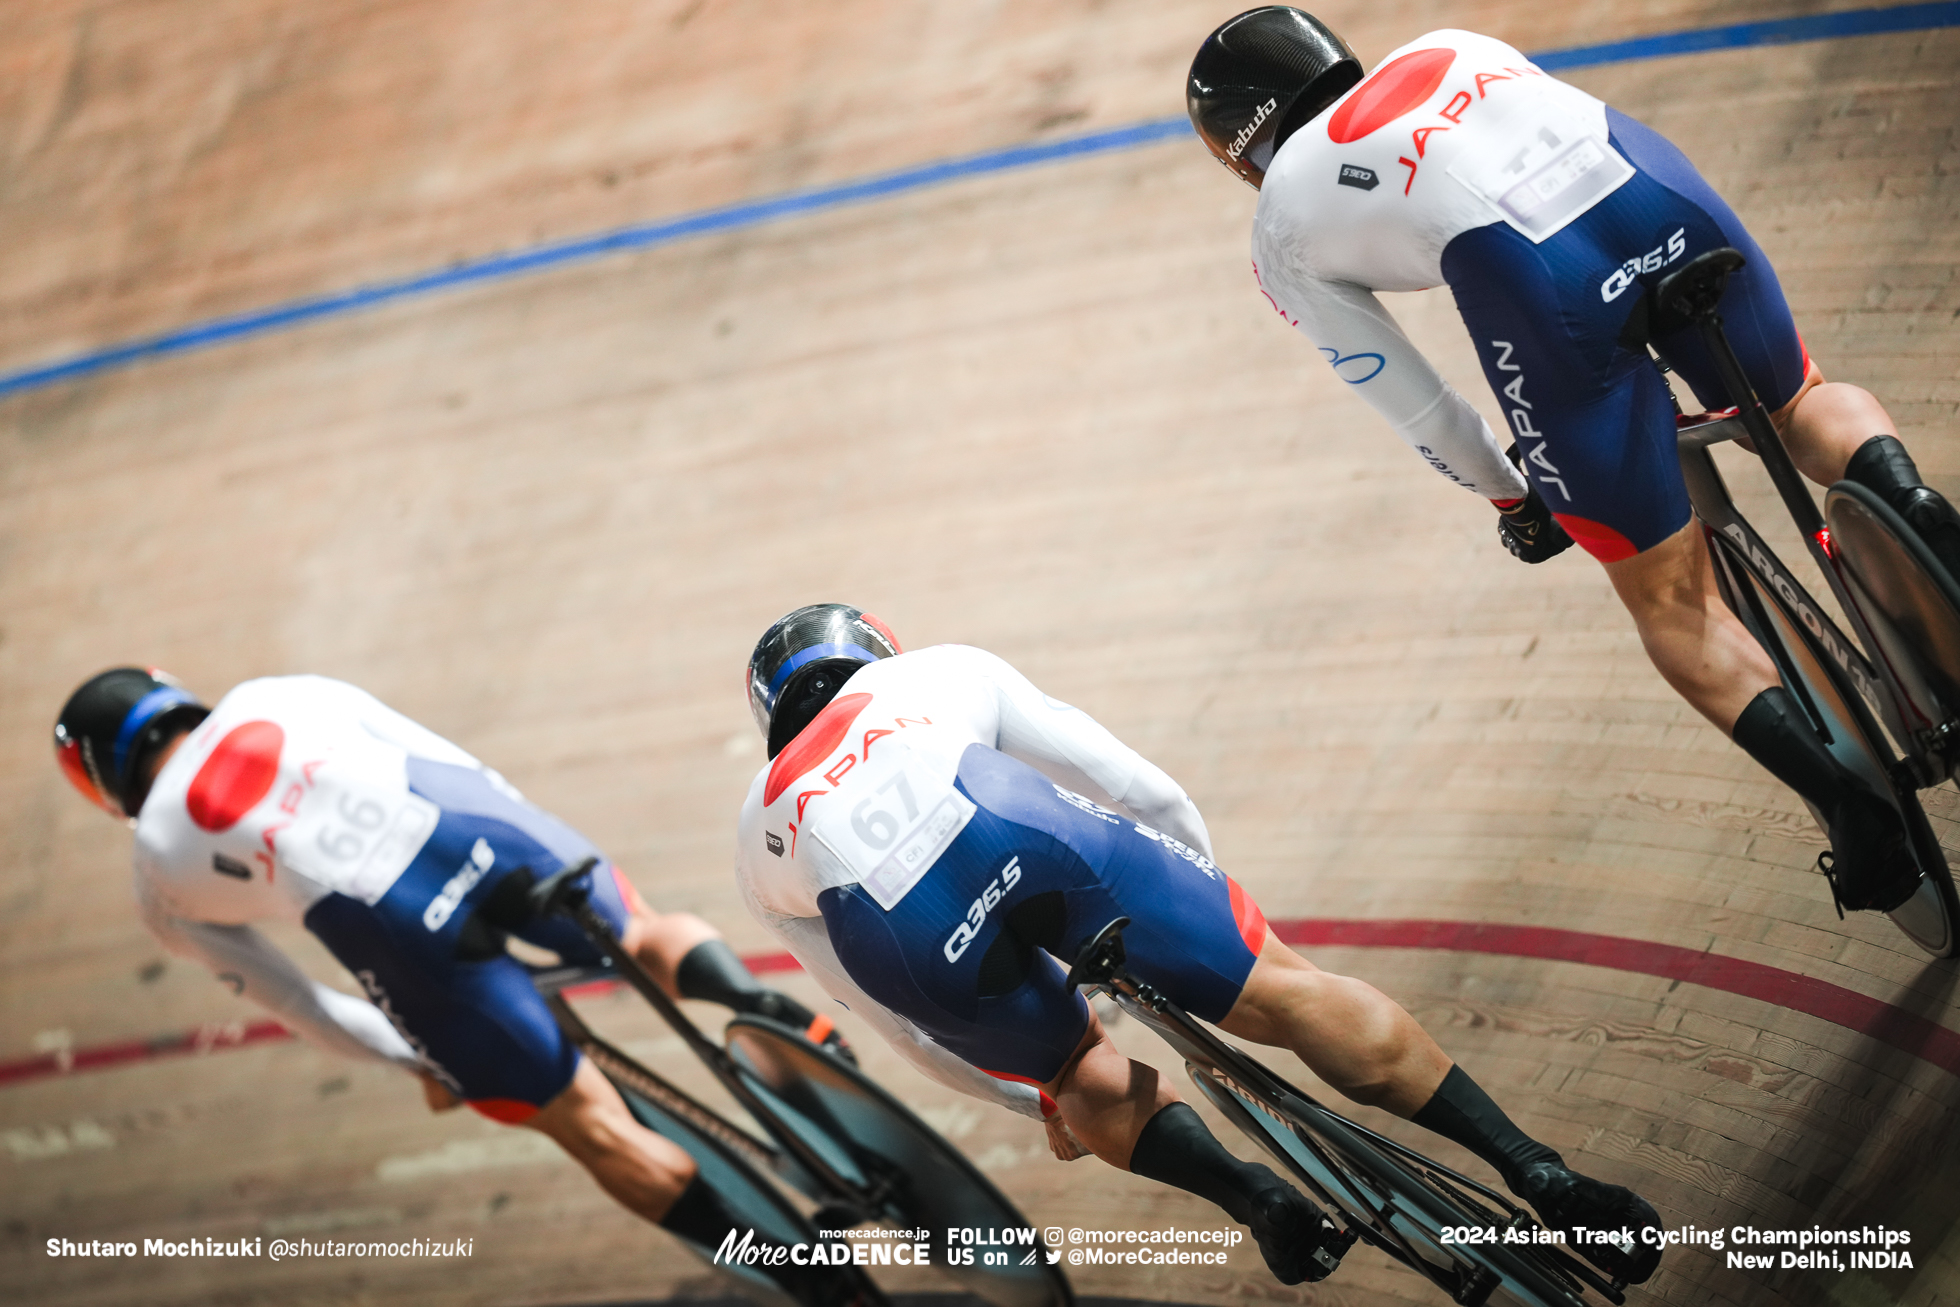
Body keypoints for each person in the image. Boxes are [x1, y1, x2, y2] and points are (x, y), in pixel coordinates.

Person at [1185, 8, 1960, 917]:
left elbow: (1415, 399)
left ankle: (1855, 814)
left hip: (1547, 290)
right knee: (1794, 407)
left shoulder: (1281, 228)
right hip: (1659, 190)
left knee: (1667, 596)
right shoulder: (1451, 43)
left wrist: (1512, 495)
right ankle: (1912, 507)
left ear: (1240, 153)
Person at [733, 604, 1664, 1286]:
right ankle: (1534, 1165)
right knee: (1284, 990)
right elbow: (1123, 778)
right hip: (1029, 836)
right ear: (874, 648)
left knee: (1081, 1075)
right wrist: (1208, 899)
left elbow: (893, 1022)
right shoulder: (933, 670)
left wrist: (1034, 1098)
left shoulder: (754, 833)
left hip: (914, 941)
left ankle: (1251, 1196)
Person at [54, 666, 851, 1257]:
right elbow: (441, 753)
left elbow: (304, 1005)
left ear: (103, 785)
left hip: (402, 936)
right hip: (473, 825)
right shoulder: (275, 692)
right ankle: (773, 1007)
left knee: (585, 1122)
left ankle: (809, 1272)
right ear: (173, 696)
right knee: (638, 931)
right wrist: (526, 824)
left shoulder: (158, 874)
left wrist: (418, 1055)